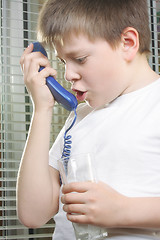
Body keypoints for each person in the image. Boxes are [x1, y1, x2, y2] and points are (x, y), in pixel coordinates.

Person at [16, 0, 160, 239]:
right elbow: (33, 214)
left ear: (127, 43)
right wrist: (42, 109)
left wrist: (123, 211)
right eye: (63, 62)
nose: (68, 74)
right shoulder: (80, 116)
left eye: (80, 59)